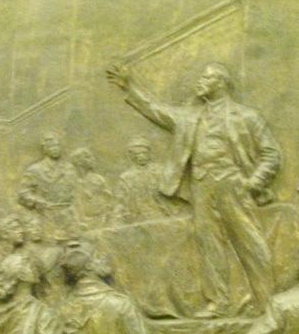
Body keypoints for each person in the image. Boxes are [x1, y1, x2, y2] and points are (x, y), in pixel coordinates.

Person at [107, 61, 281, 315]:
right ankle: (219, 302)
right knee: (209, 242)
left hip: (233, 185)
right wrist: (130, 87)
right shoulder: (190, 117)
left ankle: (266, 301)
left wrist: (253, 183)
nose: (200, 82)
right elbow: (156, 111)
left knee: (248, 240)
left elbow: (271, 154)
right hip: (201, 185)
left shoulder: (247, 116)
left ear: (220, 83)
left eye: (206, 78)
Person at [18, 132, 81, 238]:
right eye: (51, 146)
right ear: (44, 149)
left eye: (57, 145)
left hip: (69, 215)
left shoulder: (69, 168)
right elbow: (23, 194)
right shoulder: (35, 170)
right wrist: (38, 201)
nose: (55, 148)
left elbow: (78, 190)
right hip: (47, 216)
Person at [116, 135, 174, 223]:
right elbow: (121, 202)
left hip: (161, 215)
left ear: (149, 154)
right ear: (131, 156)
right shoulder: (126, 177)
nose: (141, 156)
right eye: (137, 154)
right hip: (137, 218)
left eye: (144, 153)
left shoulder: (159, 171)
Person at [69, 147, 117, 229]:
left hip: (100, 220)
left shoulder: (98, 179)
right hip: (79, 223)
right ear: (79, 162)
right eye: (87, 157)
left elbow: (110, 199)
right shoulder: (72, 181)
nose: (92, 159)